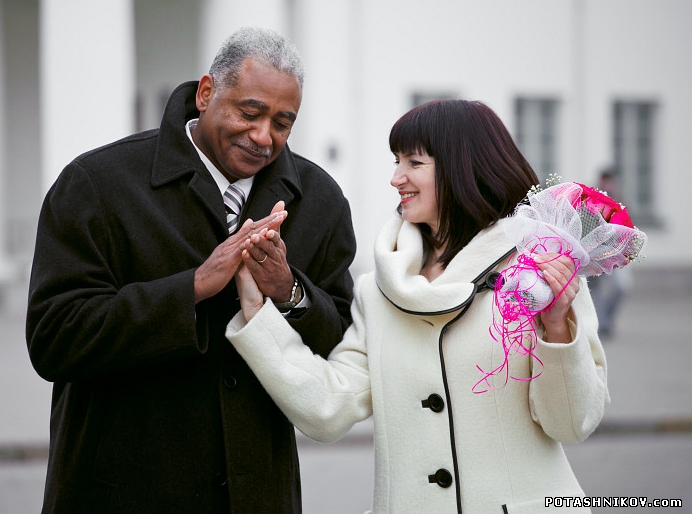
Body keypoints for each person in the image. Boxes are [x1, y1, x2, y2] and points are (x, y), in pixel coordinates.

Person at [26, 27, 356, 513]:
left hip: (257, 498)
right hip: (120, 495)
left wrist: (290, 293)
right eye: (250, 112)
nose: (264, 136)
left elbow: (342, 346)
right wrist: (194, 287)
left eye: (283, 122)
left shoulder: (320, 199)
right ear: (206, 93)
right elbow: (54, 339)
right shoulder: (96, 184)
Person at [227, 99, 609, 513]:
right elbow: (328, 408)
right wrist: (259, 317)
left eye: (413, 162)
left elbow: (572, 424)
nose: (396, 178)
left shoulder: (542, 268)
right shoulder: (378, 292)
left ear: (461, 166)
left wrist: (557, 329)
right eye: (396, 161)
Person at [588, 169, 630, 338]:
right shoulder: (592, 200)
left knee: (620, 288)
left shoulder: (620, 200)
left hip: (616, 255)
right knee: (595, 290)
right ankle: (601, 323)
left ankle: (607, 319)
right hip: (595, 254)